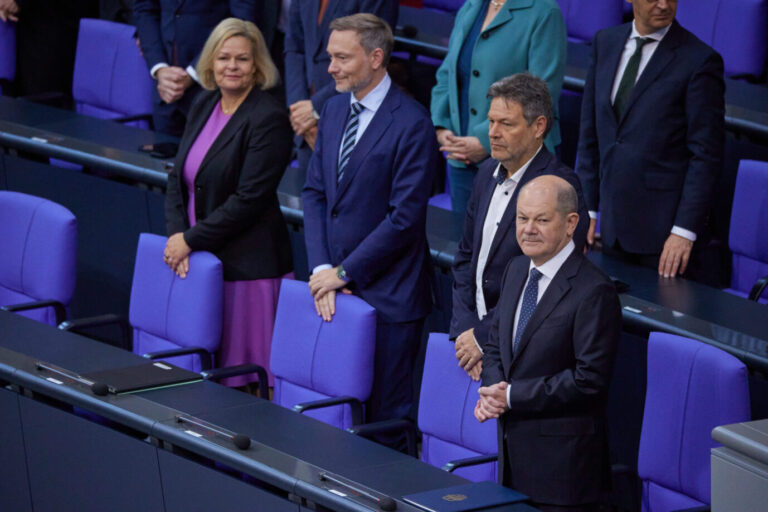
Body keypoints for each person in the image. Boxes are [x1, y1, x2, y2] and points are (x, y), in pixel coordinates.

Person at [302, 13, 438, 450]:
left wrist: (345, 272)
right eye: (330, 57)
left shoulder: (412, 123)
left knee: (385, 420)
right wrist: (324, 269)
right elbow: (315, 192)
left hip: (389, 298)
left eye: (342, 58)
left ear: (376, 57)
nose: (331, 68)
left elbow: (404, 219)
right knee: (339, 410)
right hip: (336, 292)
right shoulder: (335, 108)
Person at [476, 175, 621, 512]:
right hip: (512, 462)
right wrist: (494, 390)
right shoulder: (515, 269)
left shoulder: (594, 291)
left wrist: (510, 396)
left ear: (571, 224)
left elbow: (589, 381)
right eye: (522, 218)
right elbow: (496, 344)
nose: (528, 229)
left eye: (541, 220)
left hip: (563, 477)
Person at [164, 18, 293, 389]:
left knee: (243, 383)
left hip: (247, 272)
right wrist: (178, 236)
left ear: (257, 66)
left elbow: (249, 199)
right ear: (210, 63)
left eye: (242, 59)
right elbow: (178, 177)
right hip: (201, 259)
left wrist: (189, 240)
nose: (232, 67)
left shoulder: (268, 117)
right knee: (201, 374)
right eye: (223, 58)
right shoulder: (204, 102)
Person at [450, 73, 589, 381]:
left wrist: (483, 336)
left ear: (538, 127)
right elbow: (464, 258)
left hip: (524, 357)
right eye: (491, 122)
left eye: (507, 124)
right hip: (471, 346)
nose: (493, 133)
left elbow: (544, 282)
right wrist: (464, 331)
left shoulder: (563, 188)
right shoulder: (486, 172)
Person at [576, 0, 724, 283]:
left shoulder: (699, 60)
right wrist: (588, 208)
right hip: (611, 228)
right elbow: (591, 134)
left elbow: (705, 156)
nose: (664, 4)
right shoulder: (605, 42)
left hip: (664, 238)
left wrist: (684, 231)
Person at [430, 0, 566, 215]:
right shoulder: (472, 6)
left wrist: (485, 140)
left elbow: (541, 94)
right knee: (464, 243)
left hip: (516, 161)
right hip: (460, 155)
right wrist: (442, 127)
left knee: (509, 245)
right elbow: (448, 72)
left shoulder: (545, 12)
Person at [284, 0, 397, 174]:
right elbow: (294, 47)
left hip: (350, 124)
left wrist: (316, 107)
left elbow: (368, 62)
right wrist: (300, 111)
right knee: (308, 199)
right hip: (306, 127)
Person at [134, 0, 258, 136]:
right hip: (165, 90)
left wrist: (194, 72)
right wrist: (159, 67)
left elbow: (241, 23)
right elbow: (145, 9)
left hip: (213, 89)